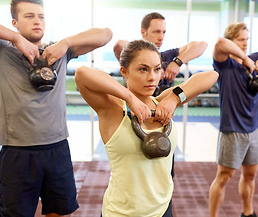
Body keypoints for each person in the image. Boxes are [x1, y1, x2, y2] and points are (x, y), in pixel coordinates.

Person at [0, 0, 112, 217]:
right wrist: (15, 38)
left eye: (41, 16)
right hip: (18, 152)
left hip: (57, 148)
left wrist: (66, 43)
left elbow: (105, 34)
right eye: (28, 16)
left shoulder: (57, 52)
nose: (37, 21)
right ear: (15, 23)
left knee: (59, 212)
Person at [75, 39, 218, 216]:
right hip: (121, 213)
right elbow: (82, 74)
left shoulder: (163, 101)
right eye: (143, 69)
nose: (152, 77)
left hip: (162, 210)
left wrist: (174, 99)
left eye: (157, 69)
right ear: (124, 72)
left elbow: (211, 76)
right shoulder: (112, 108)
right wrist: (130, 98)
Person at [209, 22, 258, 217]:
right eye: (240, 40)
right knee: (224, 177)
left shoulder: (253, 59)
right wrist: (246, 59)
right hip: (232, 130)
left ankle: (248, 212)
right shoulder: (224, 65)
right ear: (232, 41)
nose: (245, 44)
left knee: (250, 175)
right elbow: (219, 43)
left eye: (246, 40)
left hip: (253, 129)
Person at [113, 12, 208, 91]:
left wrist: (177, 62)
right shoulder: (133, 55)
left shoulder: (167, 56)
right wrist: (154, 69)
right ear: (143, 32)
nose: (161, 37)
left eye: (163, 32)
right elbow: (119, 44)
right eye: (156, 32)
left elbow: (202, 45)